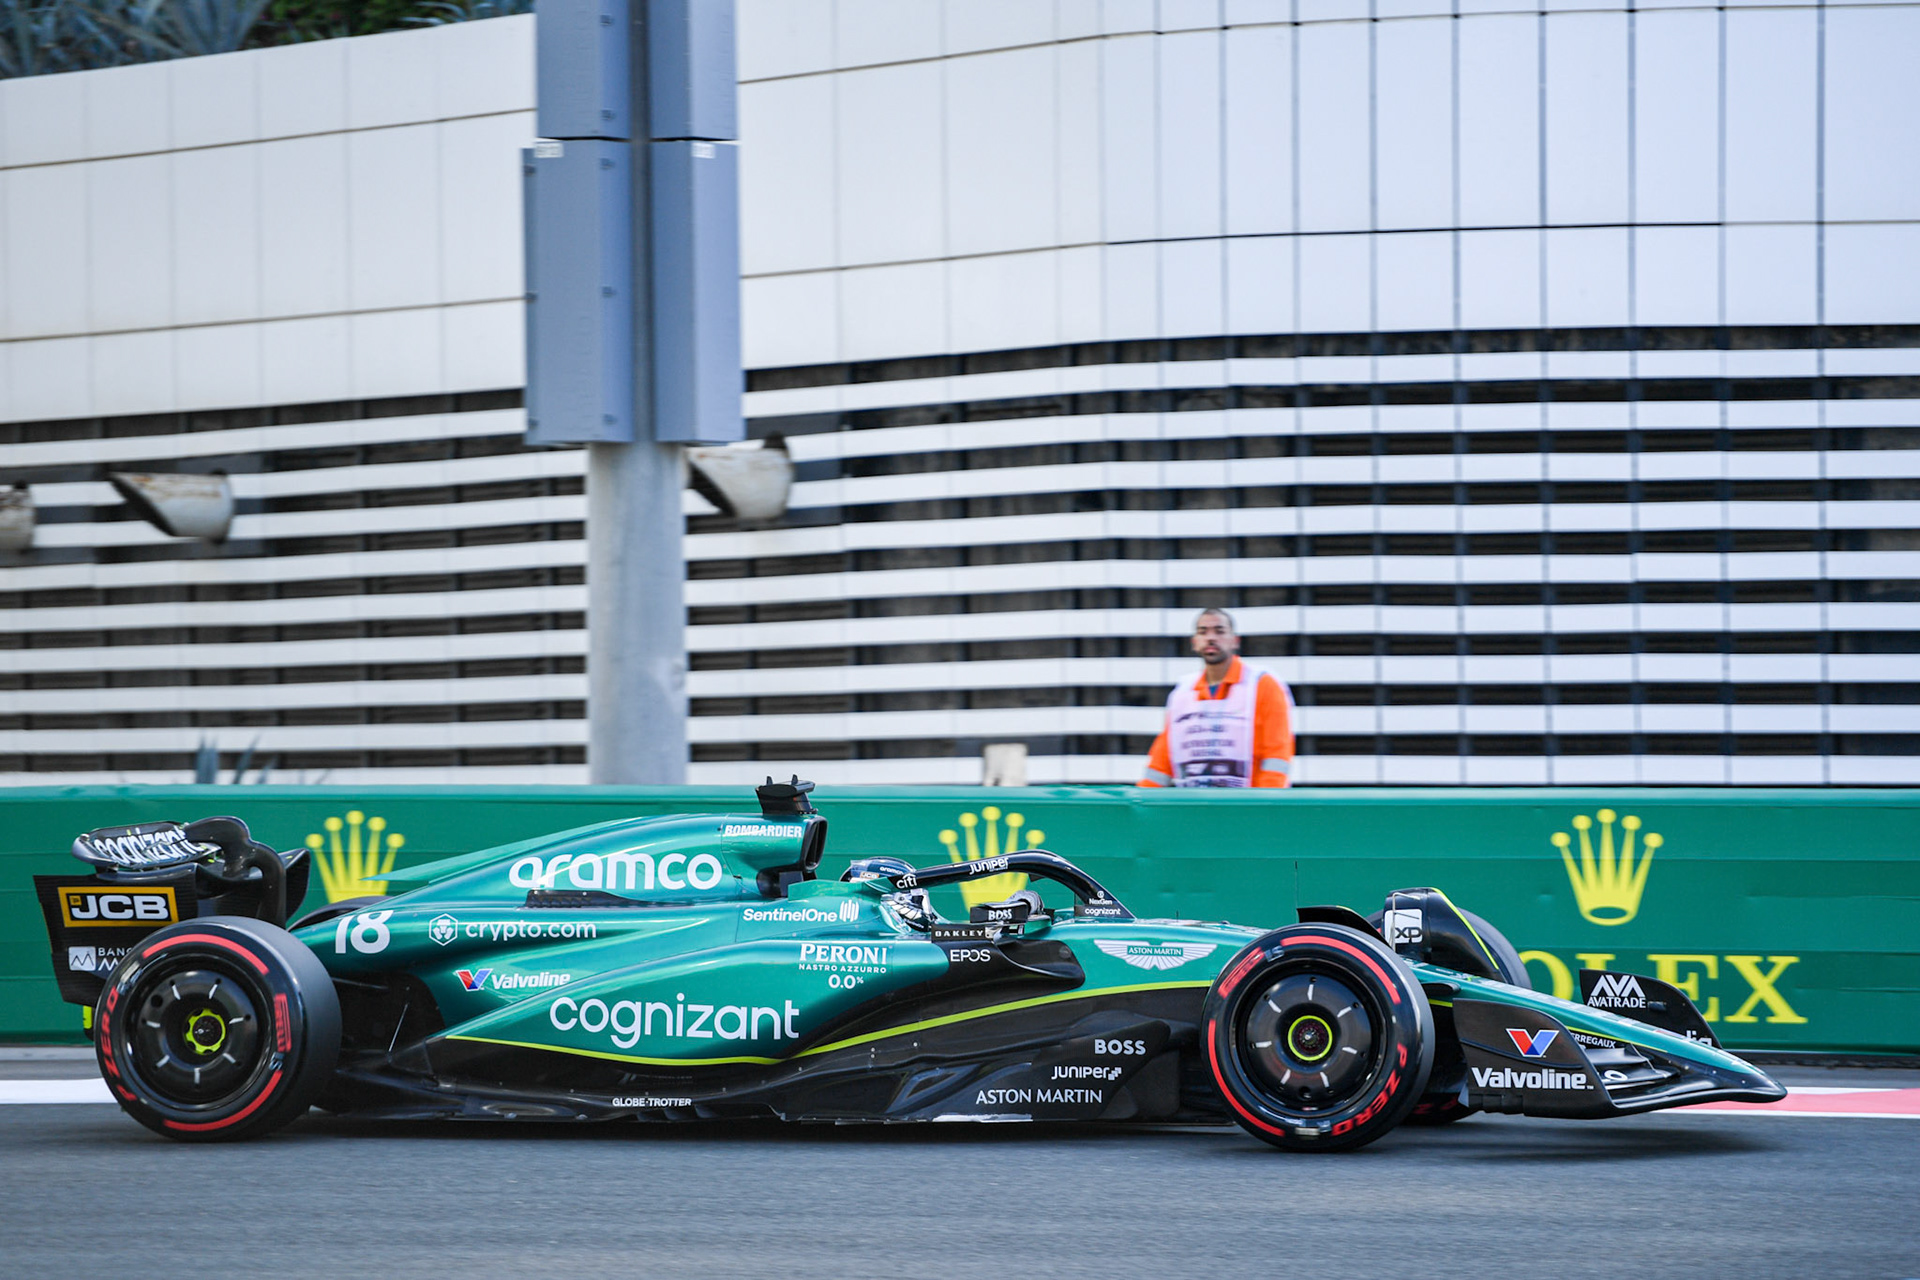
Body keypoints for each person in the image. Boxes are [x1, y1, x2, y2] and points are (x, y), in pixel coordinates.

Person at [1139, 608, 1295, 788]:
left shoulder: (1262, 684)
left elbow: (1277, 754)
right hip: (1194, 808)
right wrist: (1139, 803)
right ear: (1194, 642)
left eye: (1219, 631)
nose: (1211, 638)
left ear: (1235, 641)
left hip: (1247, 807)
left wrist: (1265, 806)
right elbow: (1162, 759)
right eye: (1203, 632)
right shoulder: (1182, 692)